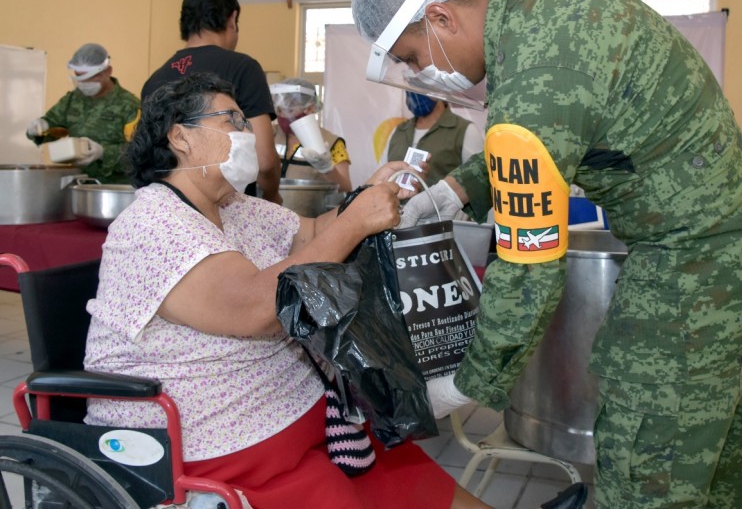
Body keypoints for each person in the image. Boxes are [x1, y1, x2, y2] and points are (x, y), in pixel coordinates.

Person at [351, 0, 742, 509]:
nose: (422, 75)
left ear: (440, 17)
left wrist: (463, 385)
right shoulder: (556, 4)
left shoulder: (534, 81)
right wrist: (450, 193)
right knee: (716, 484)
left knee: (647, 487)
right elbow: (552, 134)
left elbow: (528, 265)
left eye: (413, 59)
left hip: (696, 286)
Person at [82, 72, 585, 509]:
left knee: (390, 459)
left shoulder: (237, 207)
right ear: (180, 138)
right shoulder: (152, 224)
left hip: (285, 404)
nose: (247, 134)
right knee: (345, 476)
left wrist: (370, 197)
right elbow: (255, 307)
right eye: (230, 122)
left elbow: (316, 232)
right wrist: (355, 223)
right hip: (210, 426)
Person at [141, 0, 282, 203]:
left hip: (171, 211)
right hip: (229, 209)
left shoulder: (153, 81)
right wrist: (273, 196)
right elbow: (264, 162)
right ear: (232, 19)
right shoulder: (242, 68)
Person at [26, 43, 140, 183]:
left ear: (108, 71)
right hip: (79, 184)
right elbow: (53, 126)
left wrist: (103, 152)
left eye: (91, 77)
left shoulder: (129, 105)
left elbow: (140, 153)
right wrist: (40, 126)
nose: (84, 83)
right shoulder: (73, 100)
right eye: (79, 77)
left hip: (115, 188)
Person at [383, 91, 483, 186]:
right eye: (410, 85)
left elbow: (478, 180)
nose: (414, 92)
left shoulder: (464, 130)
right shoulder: (398, 131)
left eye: (421, 84)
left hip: (439, 204)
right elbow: (383, 177)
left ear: (438, 88)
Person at [271, 78, 352, 192]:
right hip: (267, 208)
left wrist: (327, 168)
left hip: (311, 208)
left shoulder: (332, 142)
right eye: (278, 110)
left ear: (309, 108)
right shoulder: (270, 134)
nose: (282, 115)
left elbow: (346, 188)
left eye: (289, 110)